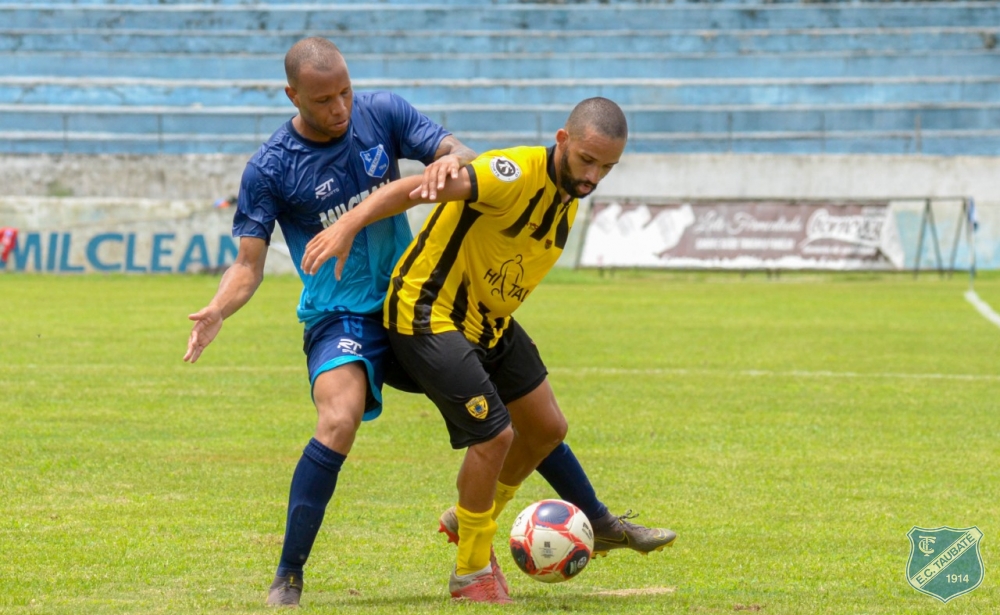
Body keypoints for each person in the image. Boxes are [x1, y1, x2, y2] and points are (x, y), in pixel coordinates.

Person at [301, 97, 677, 604]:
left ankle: (470, 516)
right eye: (587, 160)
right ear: (562, 141)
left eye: (606, 167)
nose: (593, 177)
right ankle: (470, 572)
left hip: (488, 322)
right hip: (426, 313)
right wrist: (347, 225)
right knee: (495, 436)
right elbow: (414, 188)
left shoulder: (566, 194)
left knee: (547, 428)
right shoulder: (510, 173)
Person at [182, 37, 477, 607]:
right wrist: (219, 306)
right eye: (323, 99)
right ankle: (288, 574)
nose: (340, 107)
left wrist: (449, 158)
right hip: (340, 314)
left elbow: (458, 150)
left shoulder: (382, 111)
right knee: (337, 420)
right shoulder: (270, 168)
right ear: (292, 95)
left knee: (509, 396)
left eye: (344, 90)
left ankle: (596, 517)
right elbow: (248, 265)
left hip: (412, 301)